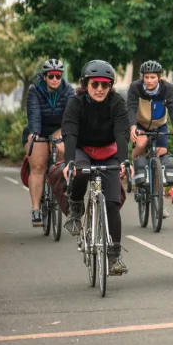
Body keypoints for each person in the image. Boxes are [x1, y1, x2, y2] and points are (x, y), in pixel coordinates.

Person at [61, 60, 131, 276]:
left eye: (105, 85)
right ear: (85, 84)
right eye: (95, 84)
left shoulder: (117, 103)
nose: (100, 89)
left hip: (108, 151)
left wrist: (124, 160)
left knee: (111, 203)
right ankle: (75, 204)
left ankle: (114, 256)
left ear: (110, 86)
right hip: (82, 149)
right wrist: (69, 160)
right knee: (80, 172)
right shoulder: (76, 103)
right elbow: (70, 131)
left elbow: (121, 132)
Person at [126, 60, 173, 217]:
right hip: (140, 124)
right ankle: (136, 166)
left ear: (159, 77)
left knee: (161, 152)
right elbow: (130, 107)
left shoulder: (167, 89)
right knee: (142, 142)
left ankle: (160, 203)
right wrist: (132, 127)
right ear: (142, 77)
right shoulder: (135, 87)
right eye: (146, 77)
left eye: (153, 77)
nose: (149, 81)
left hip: (159, 125)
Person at [23, 59, 74, 227]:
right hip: (38, 129)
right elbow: (34, 113)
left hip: (59, 127)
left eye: (58, 76)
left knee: (61, 148)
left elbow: (70, 116)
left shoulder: (68, 91)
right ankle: (36, 209)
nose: (55, 79)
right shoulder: (35, 90)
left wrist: (66, 134)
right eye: (51, 76)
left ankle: (64, 190)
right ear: (45, 77)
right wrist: (35, 133)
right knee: (38, 166)